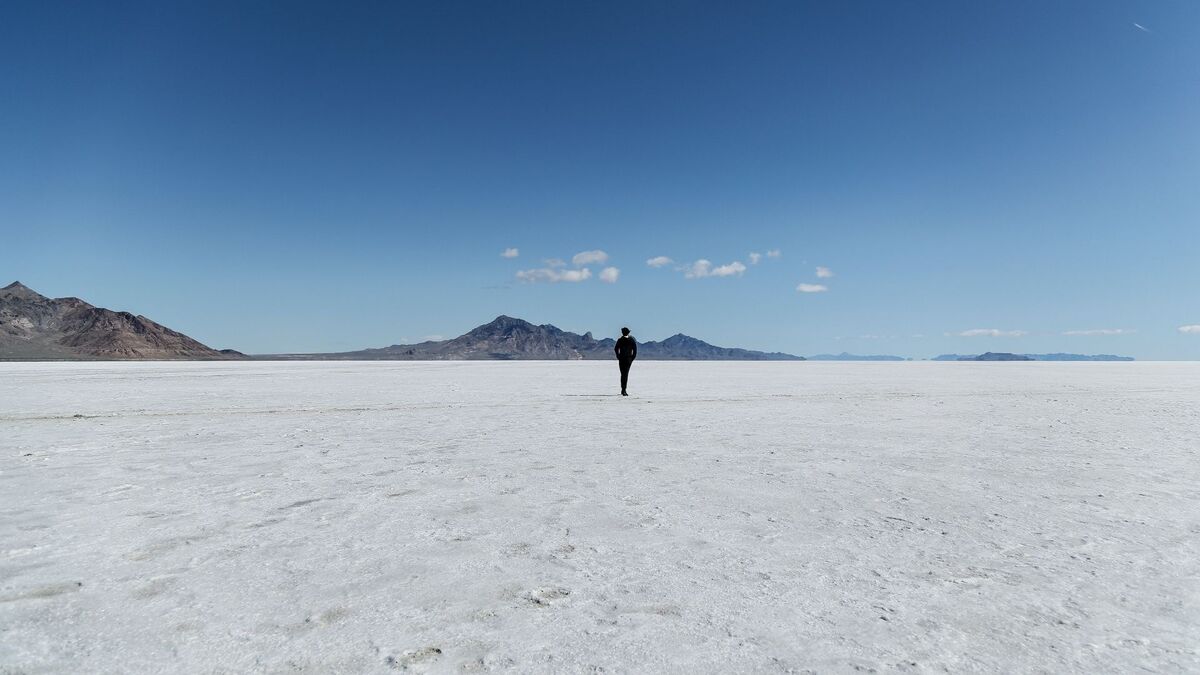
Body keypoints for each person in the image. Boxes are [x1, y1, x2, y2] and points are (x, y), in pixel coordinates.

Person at [614, 327, 637, 396]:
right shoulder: (631, 339)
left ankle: (623, 389)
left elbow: (616, 349)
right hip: (627, 359)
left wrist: (618, 356)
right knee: (625, 374)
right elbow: (635, 350)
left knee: (623, 374)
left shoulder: (621, 340)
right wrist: (632, 358)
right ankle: (623, 390)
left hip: (623, 359)